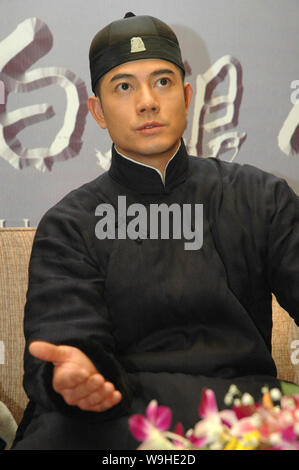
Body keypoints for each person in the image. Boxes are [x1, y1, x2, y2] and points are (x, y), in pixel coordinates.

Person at [12, 13, 299, 450]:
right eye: (124, 86)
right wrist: (74, 375)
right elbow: (66, 338)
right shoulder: (70, 223)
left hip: (242, 411)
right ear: (98, 111)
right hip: (116, 416)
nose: (147, 101)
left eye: (163, 82)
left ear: (186, 95)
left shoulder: (261, 197)